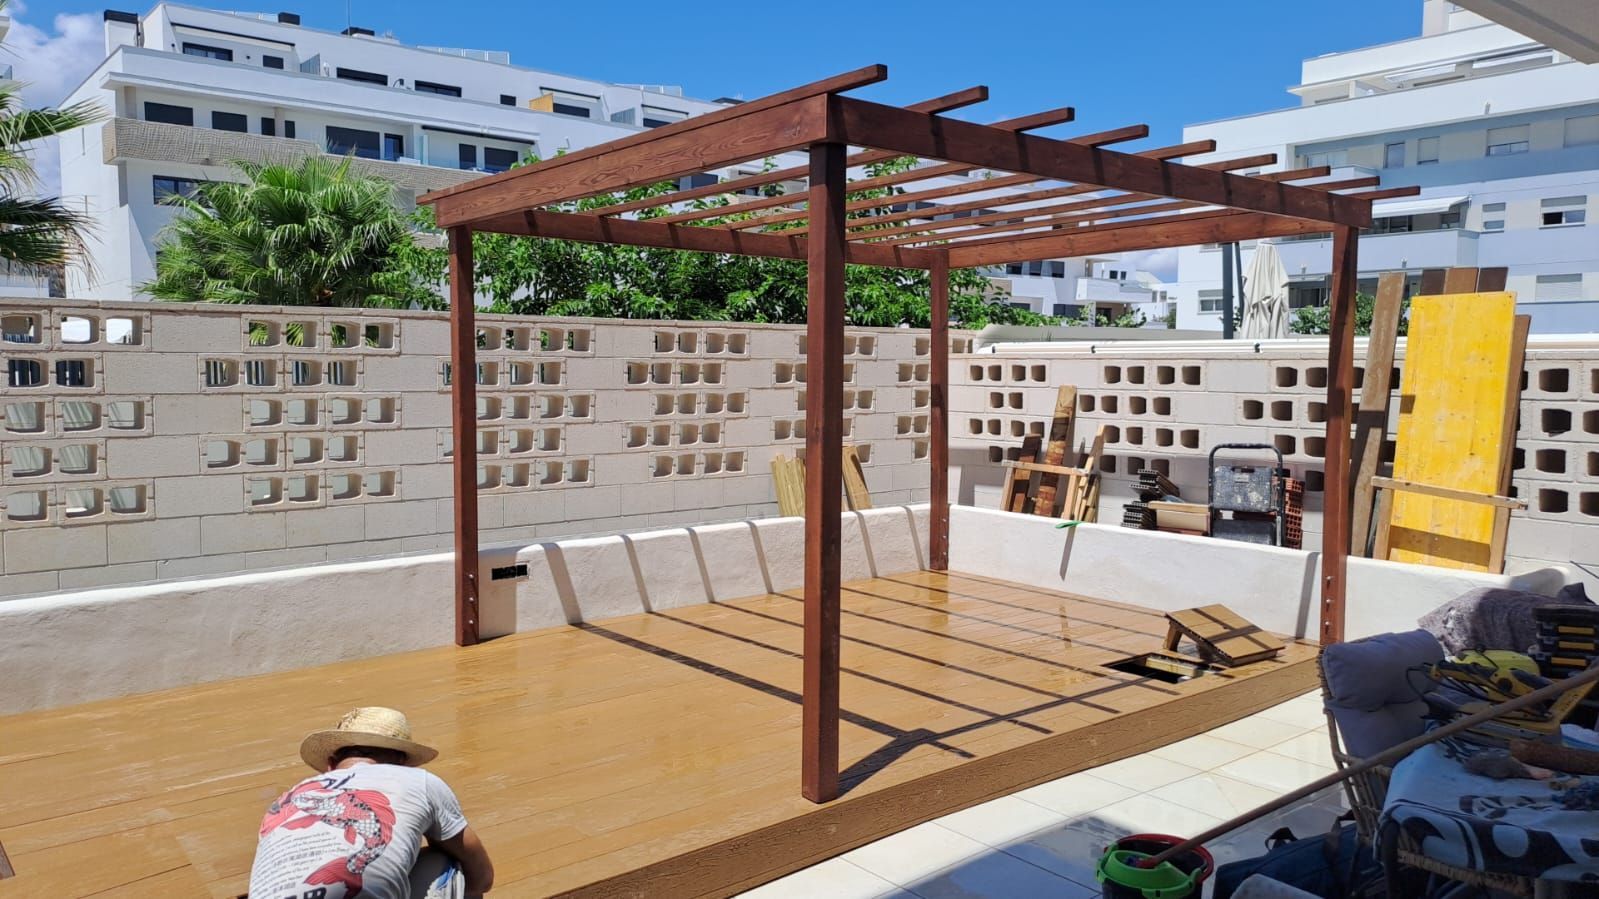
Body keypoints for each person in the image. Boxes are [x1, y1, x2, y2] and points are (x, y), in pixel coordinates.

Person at [249, 707, 494, 899]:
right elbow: (482, 877)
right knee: (447, 863)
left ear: (331, 765)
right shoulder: (419, 780)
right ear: (400, 762)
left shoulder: (286, 800)